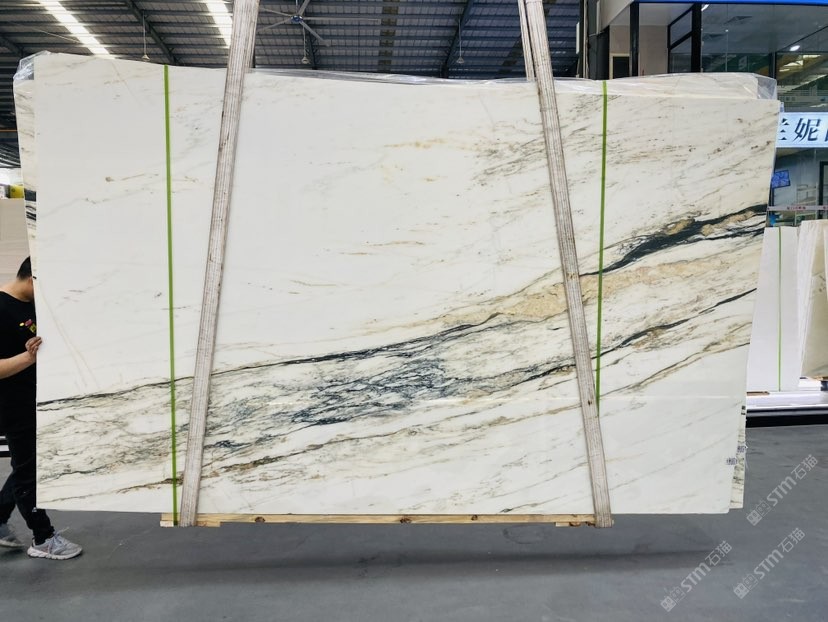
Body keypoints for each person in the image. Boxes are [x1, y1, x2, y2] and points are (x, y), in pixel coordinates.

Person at [0, 257, 82, 560]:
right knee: (29, 472)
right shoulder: (1, 308)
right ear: (32, 278)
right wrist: (28, 358)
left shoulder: (33, 304)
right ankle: (43, 538)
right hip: (12, 405)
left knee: (29, 465)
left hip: (37, 399)